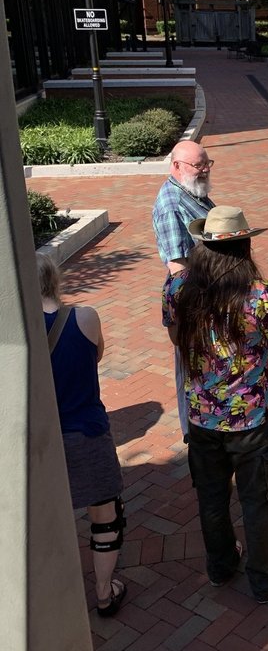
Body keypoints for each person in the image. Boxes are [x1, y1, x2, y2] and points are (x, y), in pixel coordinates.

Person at [162, 205, 268, 603]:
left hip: (201, 418)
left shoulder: (177, 288)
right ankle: (264, 578)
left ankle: (221, 566)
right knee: (258, 501)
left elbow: (175, 338)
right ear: (244, 246)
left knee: (211, 497)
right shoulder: (259, 293)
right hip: (252, 420)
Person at [38, 253, 127, 617]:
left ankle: (52, 597)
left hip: (41, 442)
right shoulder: (85, 317)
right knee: (105, 513)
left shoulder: (16, 335)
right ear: (54, 279)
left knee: (43, 518)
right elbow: (97, 355)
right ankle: (104, 592)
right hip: (87, 432)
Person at [152, 140, 215, 437]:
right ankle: (194, 430)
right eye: (197, 165)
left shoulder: (192, 190)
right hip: (197, 300)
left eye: (207, 163)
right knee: (193, 368)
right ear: (176, 166)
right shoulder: (170, 204)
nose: (204, 170)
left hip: (213, 291)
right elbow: (178, 268)